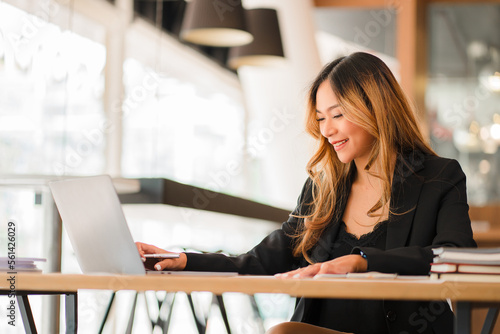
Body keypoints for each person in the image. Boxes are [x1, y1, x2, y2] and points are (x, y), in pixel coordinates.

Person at [136, 52, 476, 334]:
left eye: (338, 115)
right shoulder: (323, 188)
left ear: (375, 108)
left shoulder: (438, 177)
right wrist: (184, 260)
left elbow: (456, 256)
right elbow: (259, 262)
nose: (326, 130)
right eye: (320, 118)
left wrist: (362, 262)